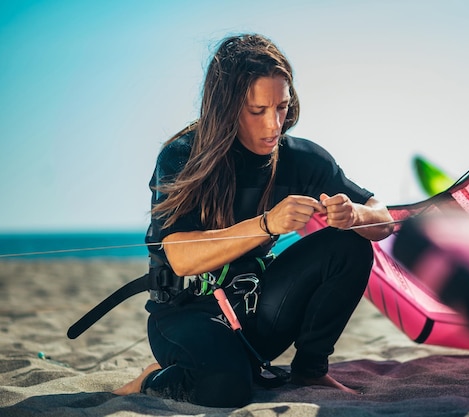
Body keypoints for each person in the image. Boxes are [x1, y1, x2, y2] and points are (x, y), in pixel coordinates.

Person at [112, 33, 394, 407]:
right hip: (187, 315)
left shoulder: (303, 158)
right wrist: (266, 224)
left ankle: (310, 368)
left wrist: (353, 214)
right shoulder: (182, 156)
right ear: (227, 108)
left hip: (258, 310)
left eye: (281, 107)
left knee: (349, 244)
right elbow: (179, 256)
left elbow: (384, 219)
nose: (273, 125)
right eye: (257, 110)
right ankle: (152, 379)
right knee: (225, 389)